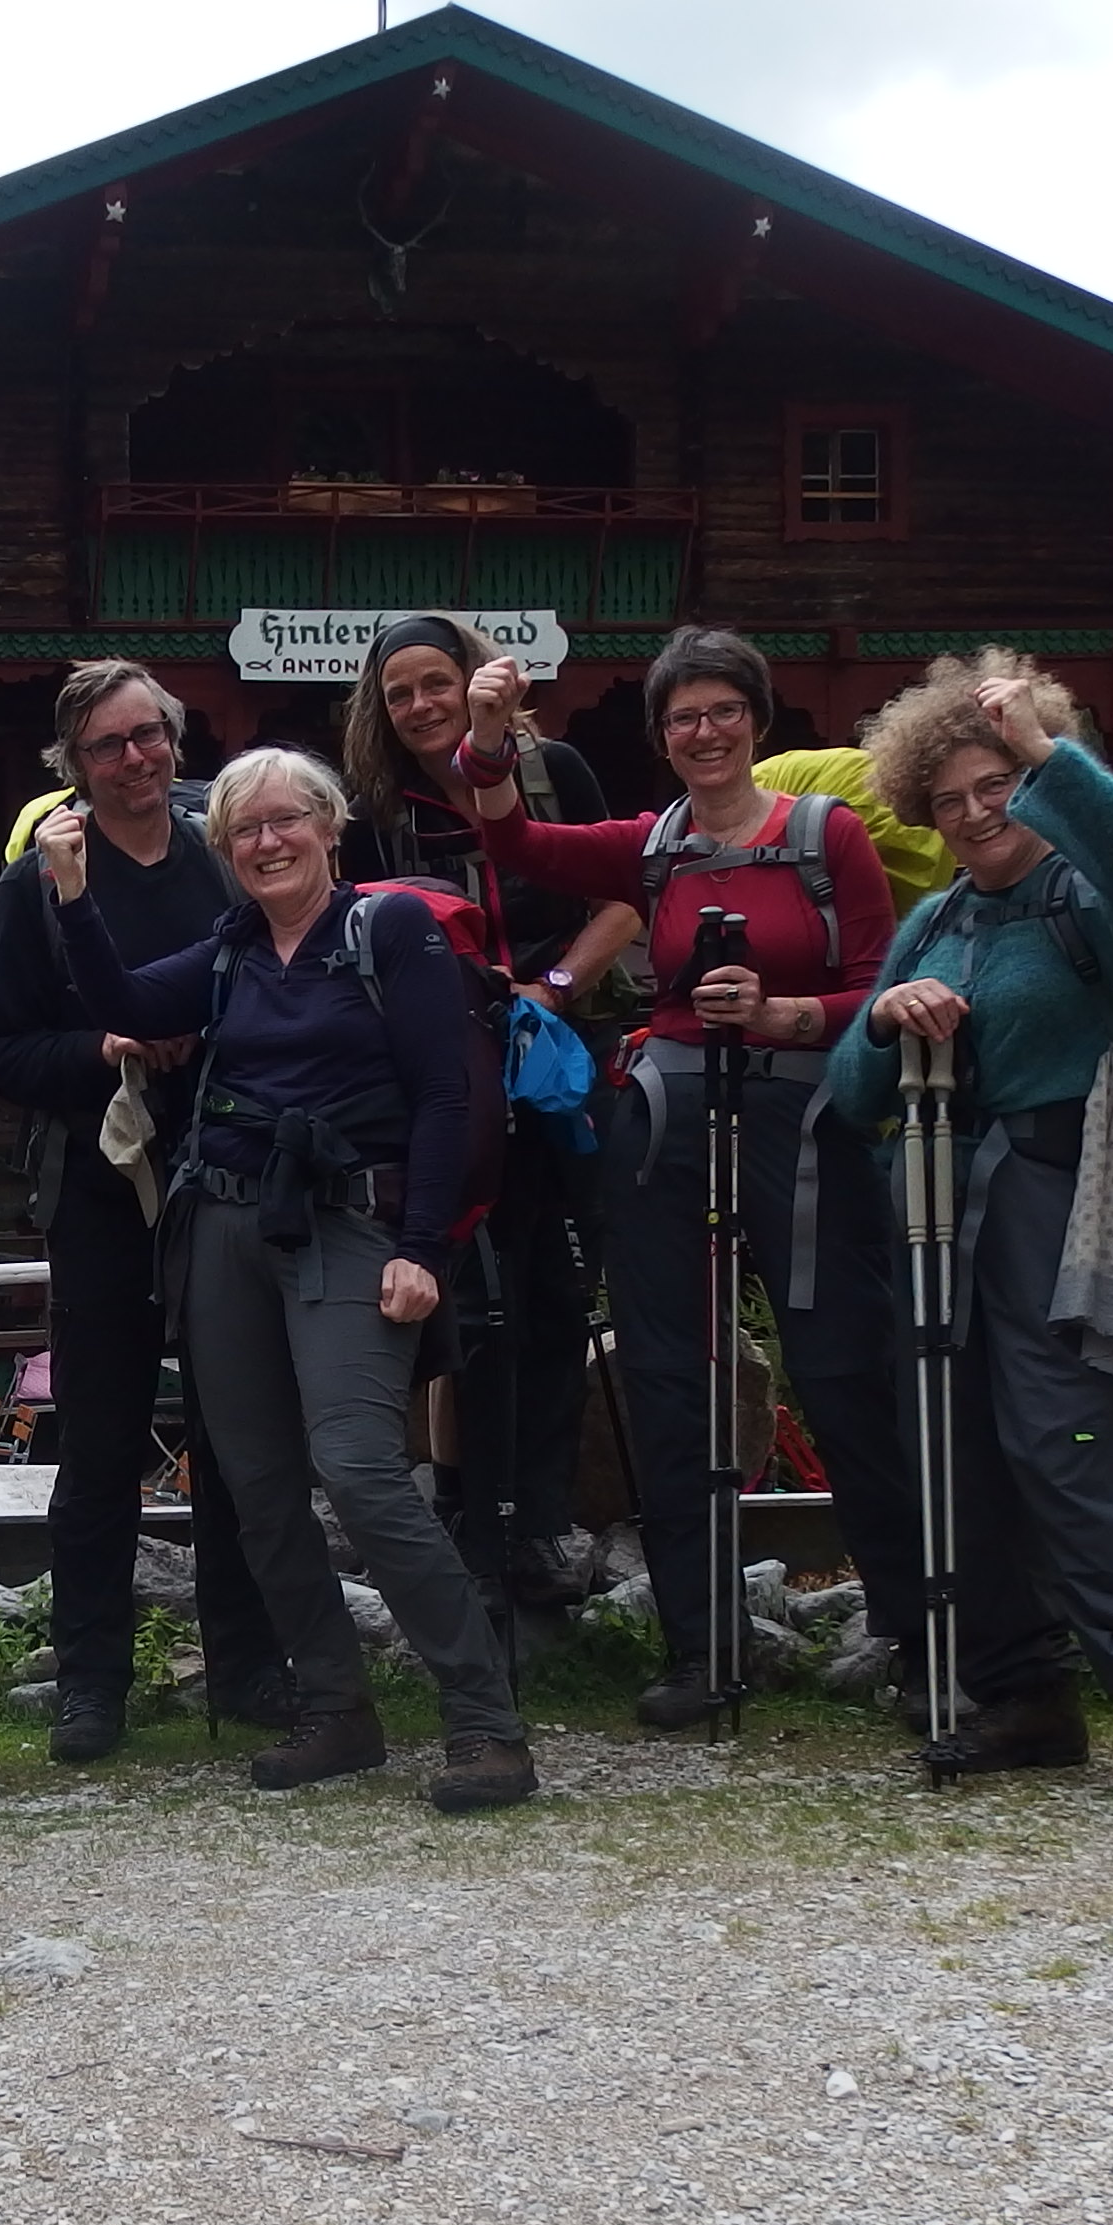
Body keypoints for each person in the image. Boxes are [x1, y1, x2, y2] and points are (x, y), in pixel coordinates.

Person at [444, 629, 914, 1730]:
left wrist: (783, 1014)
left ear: (757, 719)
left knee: (842, 1371)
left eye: (722, 711)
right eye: (683, 717)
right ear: (661, 736)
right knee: (667, 1378)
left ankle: (912, 1628)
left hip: (806, 1130)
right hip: (667, 1130)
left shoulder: (826, 837)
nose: (705, 733)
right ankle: (700, 1649)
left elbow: (882, 990)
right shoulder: (650, 848)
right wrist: (486, 733)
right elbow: (510, 836)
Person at [54, 746, 538, 1814]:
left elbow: (445, 1099)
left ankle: (484, 1723)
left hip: (352, 1226)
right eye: (244, 829)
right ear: (225, 849)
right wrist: (75, 895)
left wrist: (424, 1248)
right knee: (256, 1484)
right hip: (225, 1225)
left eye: (285, 820)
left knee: (359, 1468)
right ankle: (336, 1708)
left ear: (329, 827)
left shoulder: (389, 931)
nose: (266, 841)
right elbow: (123, 999)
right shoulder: (231, 949)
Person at [832, 652, 1113, 1822]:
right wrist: (882, 1017)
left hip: (1061, 1203)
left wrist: (1044, 752)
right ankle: (1023, 1695)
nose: (971, 815)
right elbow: (855, 1092)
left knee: (1069, 1446)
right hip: (940, 1212)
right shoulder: (934, 920)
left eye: (993, 787)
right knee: (955, 1450)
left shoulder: (1094, 900)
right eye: (945, 800)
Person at [0, 662, 287, 1760]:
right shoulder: (38, 881)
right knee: (100, 1439)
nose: (136, 759)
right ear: (73, 761)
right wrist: (104, 1045)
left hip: (231, 1171)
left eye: (149, 734)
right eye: (109, 744)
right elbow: (3, 1051)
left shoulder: (225, 853)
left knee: (237, 1429)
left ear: (175, 737)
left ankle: (248, 1662)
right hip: (99, 1186)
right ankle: (91, 1681)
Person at [335, 612, 615, 1608]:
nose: (419, 706)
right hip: (449, 1081)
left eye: (434, 683)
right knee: (472, 1302)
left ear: (472, 682)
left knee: (556, 1297)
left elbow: (624, 892)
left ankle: (538, 1520)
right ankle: (469, 1508)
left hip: (554, 1063)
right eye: (398, 693)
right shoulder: (376, 812)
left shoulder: (552, 774)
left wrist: (556, 985)